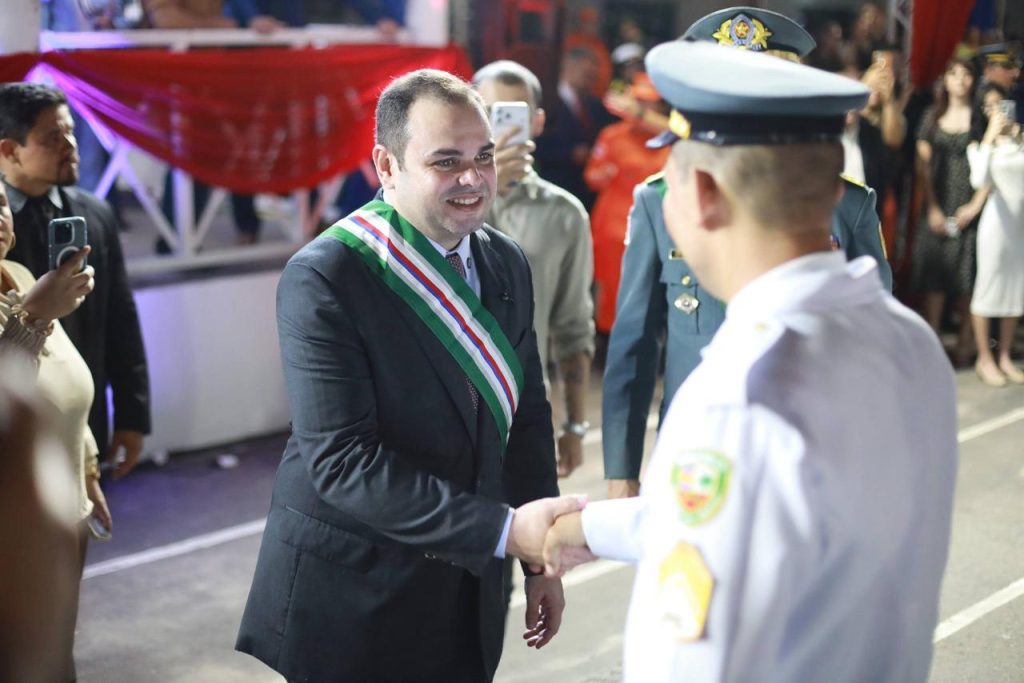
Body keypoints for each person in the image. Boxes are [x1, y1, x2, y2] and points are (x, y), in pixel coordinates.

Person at [537, 39, 959, 683]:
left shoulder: (739, 395)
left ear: (703, 193)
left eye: (671, 173)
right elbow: (755, 522)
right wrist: (584, 528)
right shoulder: (909, 341)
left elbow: (689, 661)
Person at [236, 68, 583, 683]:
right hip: (355, 594)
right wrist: (508, 531)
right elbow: (343, 461)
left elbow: (526, 418)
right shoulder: (328, 275)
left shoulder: (504, 261)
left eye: (482, 157)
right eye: (446, 162)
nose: (473, 179)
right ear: (387, 166)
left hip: (469, 587)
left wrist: (539, 565)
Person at [601, 6, 893, 499]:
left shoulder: (848, 203)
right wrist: (621, 469)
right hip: (692, 454)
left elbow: (874, 338)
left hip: (810, 449)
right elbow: (634, 341)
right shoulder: (660, 200)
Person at [0, 83, 151, 477]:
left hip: (84, 422)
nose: (70, 145)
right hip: (16, 432)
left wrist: (133, 415)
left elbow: (120, 317)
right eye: (52, 137)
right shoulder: (2, 232)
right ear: (10, 150)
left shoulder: (94, 214)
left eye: (69, 130)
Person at [0, 180, 111, 683]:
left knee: (57, 648)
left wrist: (87, 467)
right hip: (13, 520)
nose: (0, 215)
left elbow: (62, 380)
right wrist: (33, 316)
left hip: (65, 506)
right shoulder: (34, 295)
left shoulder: (23, 275)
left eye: (0, 203)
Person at [473, 60, 595, 478]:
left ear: (538, 122)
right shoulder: (440, 207)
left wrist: (574, 424)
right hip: (446, 408)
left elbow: (573, 324)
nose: (501, 127)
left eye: (514, 115)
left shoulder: (564, 213)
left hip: (526, 411)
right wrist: (482, 189)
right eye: (489, 113)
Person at [911, 58, 988, 363]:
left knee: (969, 274)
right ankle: (932, 339)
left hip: (971, 200)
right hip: (938, 199)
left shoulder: (981, 118)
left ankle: (967, 342)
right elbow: (922, 166)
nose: (960, 80)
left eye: (967, 74)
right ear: (945, 79)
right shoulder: (932, 116)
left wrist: (976, 204)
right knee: (935, 273)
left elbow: (991, 162)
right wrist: (931, 207)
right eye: (954, 74)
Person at [585, 73, 670, 335]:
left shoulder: (669, 138)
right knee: (611, 289)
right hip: (613, 227)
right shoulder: (612, 135)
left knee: (650, 290)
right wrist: (603, 174)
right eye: (638, 101)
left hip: (657, 226)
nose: (641, 107)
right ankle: (607, 338)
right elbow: (591, 176)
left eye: (648, 102)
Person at [967, 94, 1024, 386]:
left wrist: (1018, 135)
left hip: (1019, 226)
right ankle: (984, 358)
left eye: (1002, 106)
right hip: (995, 225)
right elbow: (978, 180)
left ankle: (1004, 356)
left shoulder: (1019, 141)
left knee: (1015, 289)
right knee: (987, 287)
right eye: (990, 106)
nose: (998, 112)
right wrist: (990, 137)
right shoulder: (978, 147)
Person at [534, 46, 615, 211]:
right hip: (554, 184)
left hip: (585, 191)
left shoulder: (595, 105)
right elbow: (537, 142)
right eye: (587, 75)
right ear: (570, 69)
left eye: (593, 77)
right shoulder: (547, 101)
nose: (591, 81)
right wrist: (569, 153)